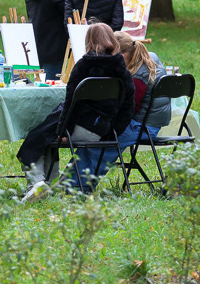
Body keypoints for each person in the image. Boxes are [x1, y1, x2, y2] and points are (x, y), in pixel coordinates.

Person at [17, 23, 134, 202]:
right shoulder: (122, 70)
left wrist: (63, 131)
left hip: (77, 128)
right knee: (43, 136)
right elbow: (128, 108)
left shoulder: (83, 66)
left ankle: (37, 182)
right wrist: (111, 132)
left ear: (89, 41)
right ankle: (47, 184)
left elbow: (71, 103)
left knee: (35, 138)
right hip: (101, 131)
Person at [66, 31, 172, 192]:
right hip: (147, 122)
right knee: (96, 135)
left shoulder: (138, 76)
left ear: (122, 54)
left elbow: (128, 110)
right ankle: (70, 183)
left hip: (142, 126)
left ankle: (76, 187)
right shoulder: (146, 60)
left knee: (99, 141)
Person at [23, 0, 69, 79]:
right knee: (51, 86)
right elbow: (68, 16)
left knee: (39, 84)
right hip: (54, 47)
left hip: (36, 42)